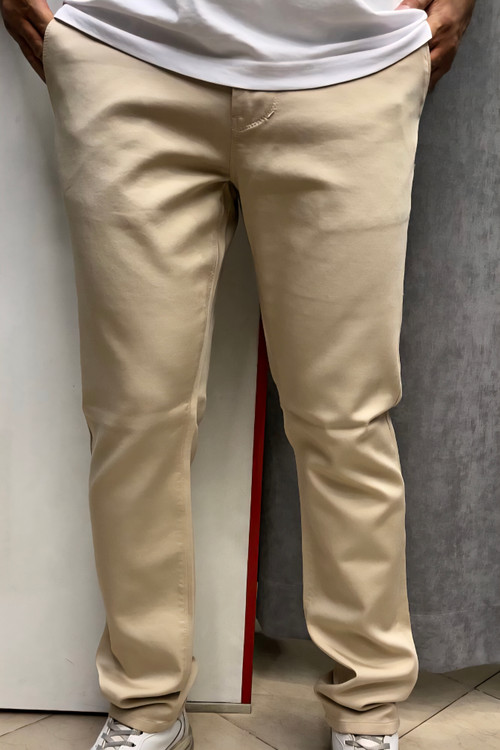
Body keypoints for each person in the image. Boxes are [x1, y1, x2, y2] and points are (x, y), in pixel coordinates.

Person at [2, 1, 476, 749]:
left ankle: (366, 711)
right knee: (135, 419)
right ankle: (145, 704)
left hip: (351, 63)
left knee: (345, 419)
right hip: (126, 52)